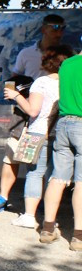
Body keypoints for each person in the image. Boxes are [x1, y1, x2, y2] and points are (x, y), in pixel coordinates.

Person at [0, 44, 73, 223]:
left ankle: (29, 215)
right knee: (52, 174)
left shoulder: (41, 82)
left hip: (37, 133)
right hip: (59, 133)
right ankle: (49, 214)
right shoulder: (68, 82)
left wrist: (16, 96)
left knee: (34, 173)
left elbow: (33, 111)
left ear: (47, 62)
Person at [38, 52, 82, 250]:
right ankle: (78, 237)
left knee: (58, 177)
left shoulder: (66, 64)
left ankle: (47, 228)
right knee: (81, 181)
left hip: (64, 123)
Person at [11, 14, 66, 81]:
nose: (59, 34)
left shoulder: (68, 55)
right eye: (54, 30)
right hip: (32, 91)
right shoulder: (25, 53)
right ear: (43, 30)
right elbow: (15, 78)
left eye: (62, 30)